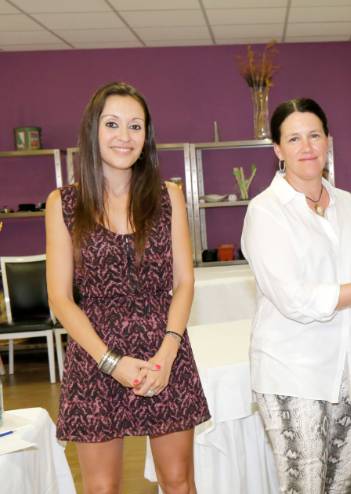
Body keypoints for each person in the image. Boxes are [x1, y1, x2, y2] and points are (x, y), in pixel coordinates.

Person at [240, 98, 351, 493]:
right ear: (277, 149)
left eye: (314, 135)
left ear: (328, 141)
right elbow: (295, 299)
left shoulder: (350, 205)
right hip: (294, 370)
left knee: (340, 486)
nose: (306, 147)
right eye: (294, 139)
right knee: (304, 486)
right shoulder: (266, 211)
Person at [46, 82, 210, 494]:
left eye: (135, 126)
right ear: (93, 131)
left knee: (179, 482)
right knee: (102, 488)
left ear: (146, 137)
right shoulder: (63, 204)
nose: (124, 136)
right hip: (95, 355)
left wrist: (168, 353)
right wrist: (111, 362)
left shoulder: (169, 196)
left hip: (163, 352)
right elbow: (60, 298)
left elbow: (184, 281)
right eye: (113, 124)